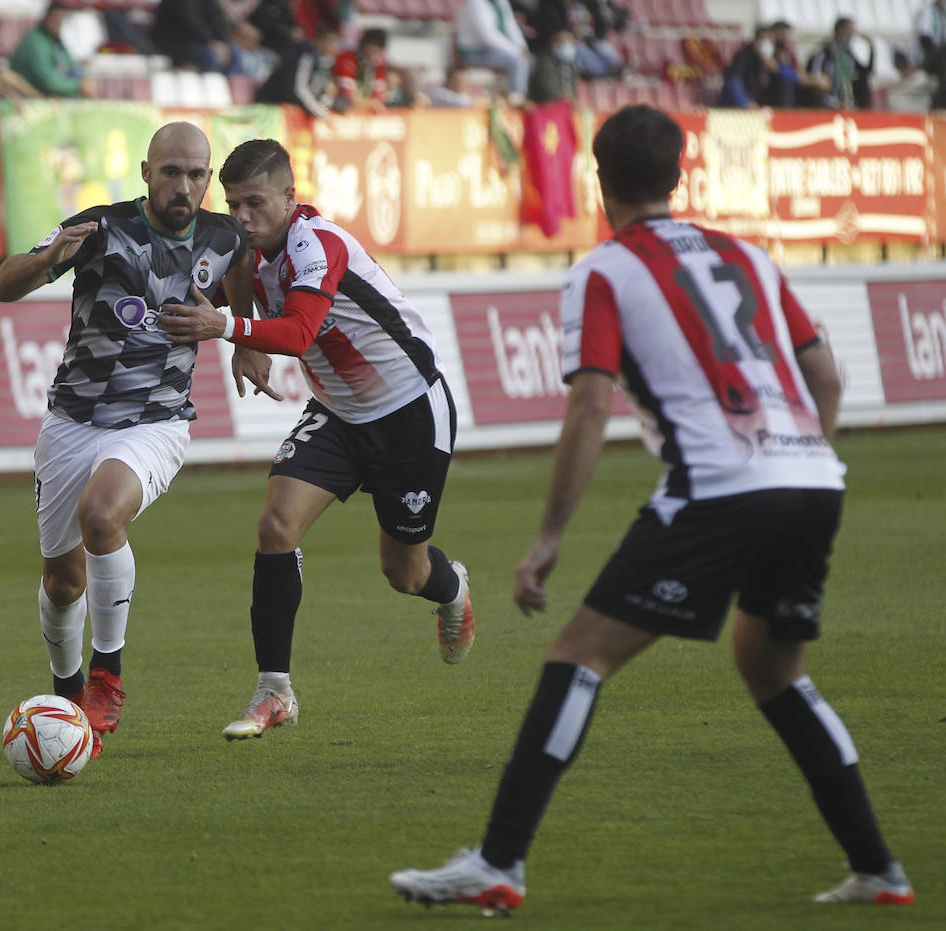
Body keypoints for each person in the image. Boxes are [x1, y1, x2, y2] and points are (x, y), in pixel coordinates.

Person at [389, 104, 914, 916]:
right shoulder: (751, 255)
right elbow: (829, 379)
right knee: (773, 670)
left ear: (600, 182)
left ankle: (499, 861)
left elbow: (591, 407)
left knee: (577, 656)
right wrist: (801, 461)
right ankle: (880, 868)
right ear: (679, 175)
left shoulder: (604, 271)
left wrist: (548, 539)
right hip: (814, 478)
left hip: (719, 487)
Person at [157, 139, 477, 741]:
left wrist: (228, 328)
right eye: (234, 204)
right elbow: (223, 287)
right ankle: (273, 691)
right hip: (337, 414)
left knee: (403, 572)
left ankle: (452, 587)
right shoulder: (245, 246)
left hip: (408, 414)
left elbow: (301, 332)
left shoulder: (316, 243)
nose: (243, 217)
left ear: (290, 197)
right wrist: (240, 335)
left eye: (256, 204)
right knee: (275, 527)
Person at [0, 122, 270, 759]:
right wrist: (47, 260)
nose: (184, 186)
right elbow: (3, 286)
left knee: (102, 515)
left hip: (157, 422)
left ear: (208, 180)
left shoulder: (225, 238)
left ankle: (107, 676)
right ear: (145, 172)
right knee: (63, 584)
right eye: (171, 172)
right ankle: (64, 694)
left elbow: (242, 290)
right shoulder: (100, 229)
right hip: (71, 422)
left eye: (197, 175)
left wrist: (245, 343)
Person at [252, 21, 339, 119]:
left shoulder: (327, 63)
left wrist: (324, 108)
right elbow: (299, 90)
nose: (333, 45)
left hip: (295, 110)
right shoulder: (304, 56)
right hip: (271, 106)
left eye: (336, 41)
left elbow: (324, 91)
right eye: (329, 40)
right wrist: (321, 113)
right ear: (318, 41)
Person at [456, 0, 529, 105]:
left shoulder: (501, 2)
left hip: (495, 50)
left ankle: (519, 97)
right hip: (473, 52)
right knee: (516, 61)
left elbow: (511, 26)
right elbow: (487, 36)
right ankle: (516, 101)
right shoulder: (476, 3)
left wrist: (523, 48)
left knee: (530, 61)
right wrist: (516, 52)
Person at [9, 0, 84, 97]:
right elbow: (48, 81)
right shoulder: (34, 43)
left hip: (47, 98)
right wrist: (78, 86)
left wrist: (84, 79)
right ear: (48, 17)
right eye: (58, 20)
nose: (60, 25)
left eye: (64, 21)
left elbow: (71, 64)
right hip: (28, 99)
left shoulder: (54, 40)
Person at [807, 17, 873, 109]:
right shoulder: (825, 51)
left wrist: (871, 48)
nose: (852, 34)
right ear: (840, 30)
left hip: (847, 98)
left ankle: (865, 113)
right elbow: (814, 73)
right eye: (850, 30)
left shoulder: (848, 53)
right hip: (827, 96)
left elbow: (865, 72)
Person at [718, 23, 777, 109]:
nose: (766, 43)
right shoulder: (744, 56)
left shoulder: (775, 57)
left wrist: (777, 69)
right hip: (737, 107)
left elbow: (793, 77)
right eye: (763, 39)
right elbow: (733, 82)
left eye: (769, 39)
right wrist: (746, 103)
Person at [332, 25, 386, 112]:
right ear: (362, 43)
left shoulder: (379, 64)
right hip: (343, 106)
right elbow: (346, 92)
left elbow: (379, 92)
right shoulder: (346, 58)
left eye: (377, 45)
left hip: (364, 109)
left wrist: (375, 103)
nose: (372, 48)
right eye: (370, 43)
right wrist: (369, 104)